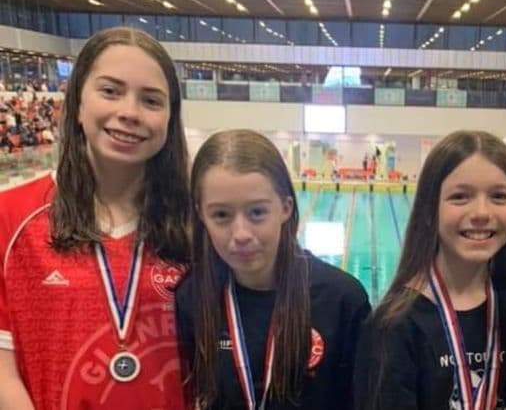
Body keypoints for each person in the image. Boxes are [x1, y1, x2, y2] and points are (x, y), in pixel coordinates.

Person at [0, 27, 191, 409]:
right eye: (110, 91)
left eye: (151, 101)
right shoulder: (11, 217)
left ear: (170, 118)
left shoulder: (194, 223)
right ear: (77, 103)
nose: (129, 112)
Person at [175, 129, 370, 410]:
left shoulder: (341, 299)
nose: (241, 233)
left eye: (257, 213)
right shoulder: (193, 299)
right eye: (221, 215)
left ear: (285, 207)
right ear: (201, 215)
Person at [354, 130, 506, 410]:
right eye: (460, 196)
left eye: (499, 196)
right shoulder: (393, 326)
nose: (482, 212)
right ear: (428, 210)